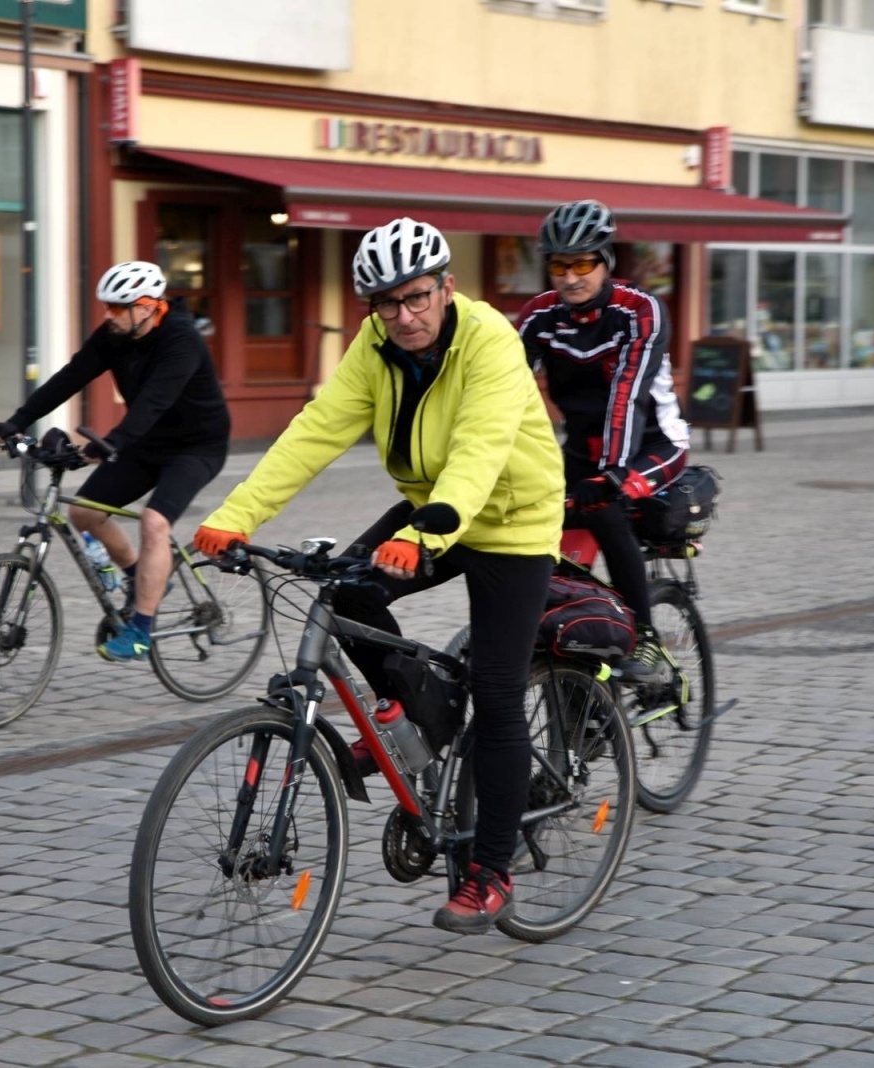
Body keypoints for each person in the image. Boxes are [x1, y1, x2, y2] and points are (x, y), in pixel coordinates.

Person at [193, 218, 564, 936]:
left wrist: (424, 534)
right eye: (386, 303)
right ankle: (421, 716)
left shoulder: (490, 340)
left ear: (447, 287)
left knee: (497, 693)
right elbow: (315, 432)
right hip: (429, 509)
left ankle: (491, 872)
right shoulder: (375, 345)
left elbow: (480, 448)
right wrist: (236, 516)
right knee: (349, 592)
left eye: (416, 297)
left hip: (510, 520)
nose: (404, 316)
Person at [0, 261, 230, 661]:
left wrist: (106, 445)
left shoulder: (181, 340)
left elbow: (153, 403)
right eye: (106, 307)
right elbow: (70, 377)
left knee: (154, 522)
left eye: (117, 308)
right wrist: (17, 422)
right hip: (144, 444)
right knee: (84, 513)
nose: (108, 315)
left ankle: (141, 632)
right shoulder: (114, 335)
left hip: (196, 447)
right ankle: (141, 576)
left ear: (148, 307)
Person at [517, 199, 691, 679]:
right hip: (581, 450)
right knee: (544, 541)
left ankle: (646, 638)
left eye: (582, 264)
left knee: (604, 509)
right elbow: (503, 390)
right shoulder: (539, 316)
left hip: (653, 445)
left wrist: (613, 472)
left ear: (606, 260)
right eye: (559, 266)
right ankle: (578, 666)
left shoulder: (639, 310)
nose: (570, 277)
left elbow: (627, 395)